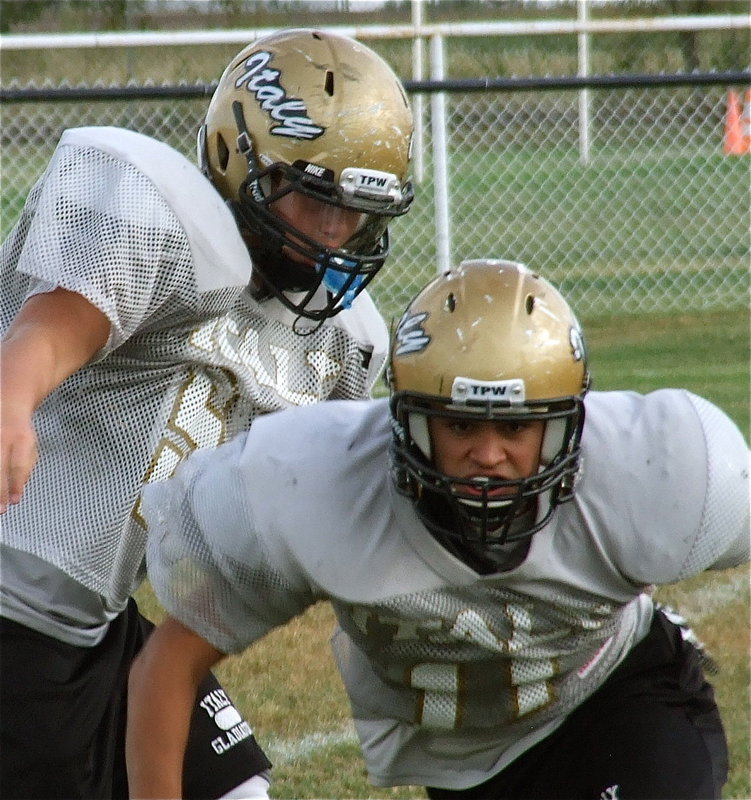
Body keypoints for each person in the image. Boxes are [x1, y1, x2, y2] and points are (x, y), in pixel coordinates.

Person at [127, 259, 749, 800]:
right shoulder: (317, 484)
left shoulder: (657, 470)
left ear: (563, 427)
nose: (488, 455)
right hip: (469, 769)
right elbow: (170, 663)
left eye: (513, 429)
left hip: (616, 697)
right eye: (459, 427)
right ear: (409, 422)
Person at [0, 27, 414, 800]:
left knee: (237, 793)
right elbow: (48, 330)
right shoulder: (161, 220)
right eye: (314, 197)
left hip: (95, 626)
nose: (331, 231)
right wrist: (10, 402)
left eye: (354, 211)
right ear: (239, 161)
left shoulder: (338, 341)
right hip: (12, 612)